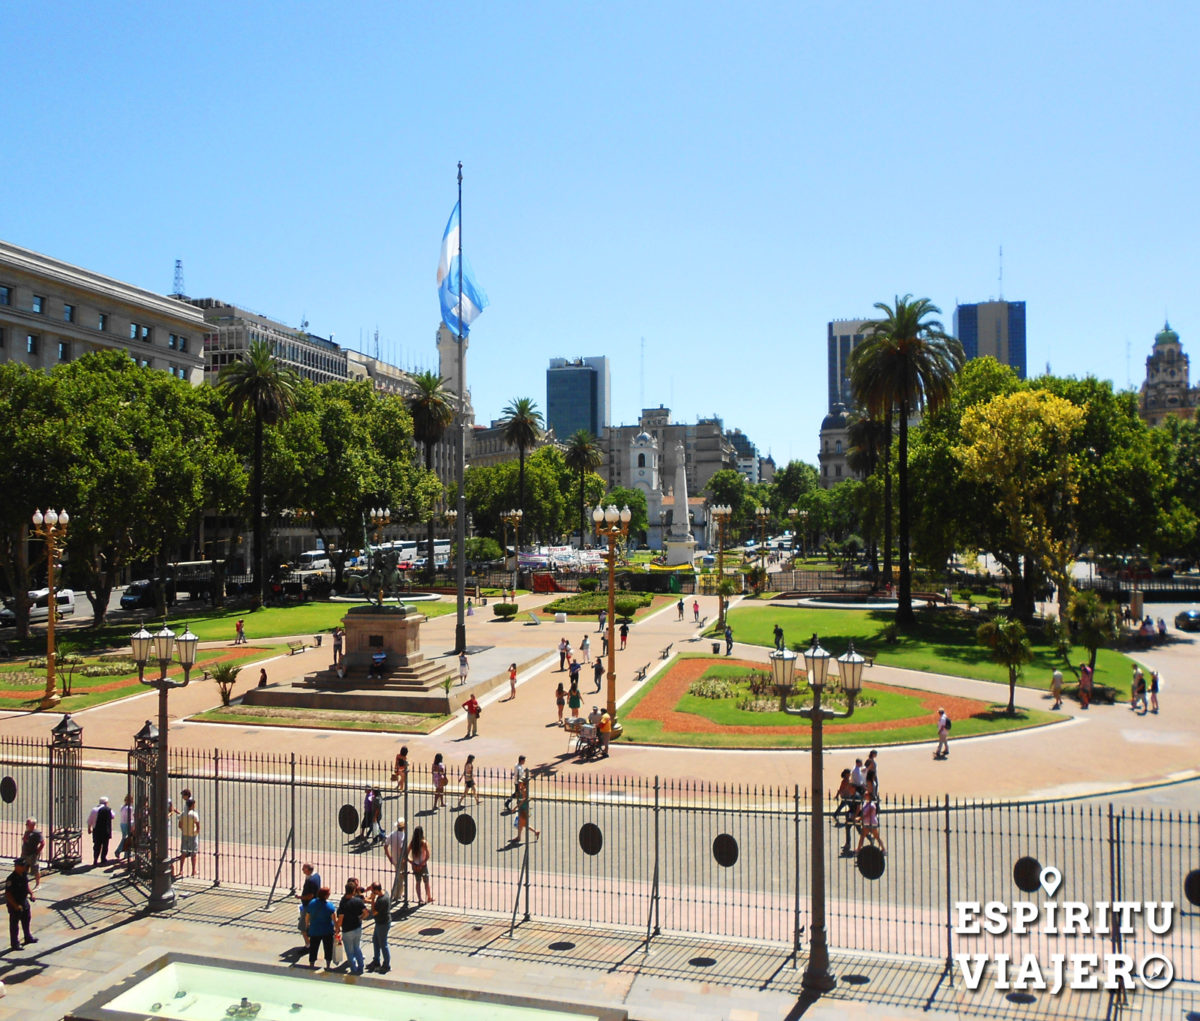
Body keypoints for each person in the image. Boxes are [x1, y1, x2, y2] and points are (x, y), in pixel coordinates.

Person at [335, 879, 366, 975]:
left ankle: (353, 968)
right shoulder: (358, 901)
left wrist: (337, 928)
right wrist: (360, 918)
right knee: (357, 948)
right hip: (357, 927)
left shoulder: (343, 903)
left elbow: (340, 918)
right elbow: (366, 912)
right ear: (354, 890)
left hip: (347, 930)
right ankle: (361, 967)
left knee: (349, 951)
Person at [5, 858, 35, 950]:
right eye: (23, 866)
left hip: (24, 902)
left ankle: (28, 937)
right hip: (15, 904)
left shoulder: (24, 874)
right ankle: (15, 943)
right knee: (14, 925)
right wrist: (15, 906)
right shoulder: (11, 879)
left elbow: (26, 886)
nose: (24, 867)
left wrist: (31, 894)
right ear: (17, 866)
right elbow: (8, 894)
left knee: (26, 921)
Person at [305, 886, 336, 969]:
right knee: (328, 948)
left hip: (315, 930)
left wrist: (307, 925)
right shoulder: (330, 906)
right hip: (327, 930)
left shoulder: (312, 903)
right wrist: (337, 927)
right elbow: (334, 917)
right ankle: (328, 965)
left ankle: (312, 964)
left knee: (313, 948)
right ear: (326, 896)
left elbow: (307, 915)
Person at [832, 769, 860, 855]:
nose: (850, 775)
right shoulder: (845, 781)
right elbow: (840, 789)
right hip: (846, 797)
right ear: (846, 774)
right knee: (844, 807)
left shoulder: (847, 781)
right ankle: (848, 844)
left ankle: (836, 814)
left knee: (857, 829)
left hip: (848, 798)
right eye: (849, 774)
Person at [366, 881, 391, 973]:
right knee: (375, 940)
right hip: (381, 922)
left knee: (383, 944)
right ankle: (376, 960)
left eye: (373, 890)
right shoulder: (385, 892)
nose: (372, 892)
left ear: (376, 891)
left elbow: (374, 912)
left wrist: (372, 899)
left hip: (382, 923)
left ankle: (386, 964)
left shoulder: (381, 900)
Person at [855, 791, 886, 856]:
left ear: (870, 796)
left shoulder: (872, 805)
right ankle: (858, 849)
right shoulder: (865, 803)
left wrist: (859, 819)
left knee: (876, 837)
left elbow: (867, 814)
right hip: (866, 823)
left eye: (866, 795)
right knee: (862, 836)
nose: (864, 795)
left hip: (872, 824)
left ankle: (883, 849)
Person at [384, 820, 407, 905]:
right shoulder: (403, 836)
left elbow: (385, 846)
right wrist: (404, 858)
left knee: (399, 876)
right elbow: (401, 848)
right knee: (400, 877)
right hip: (401, 860)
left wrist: (389, 857)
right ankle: (397, 895)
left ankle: (400, 893)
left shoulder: (392, 834)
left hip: (394, 859)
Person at [408, 826, 433, 905]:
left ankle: (420, 899)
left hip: (415, 865)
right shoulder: (424, 842)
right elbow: (428, 855)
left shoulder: (412, 843)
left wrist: (411, 862)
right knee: (426, 882)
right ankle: (429, 897)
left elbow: (406, 854)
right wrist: (423, 863)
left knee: (418, 882)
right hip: (423, 865)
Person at [298, 863, 321, 947]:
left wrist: (301, 897)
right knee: (311, 924)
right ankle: (311, 941)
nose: (302, 870)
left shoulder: (310, 880)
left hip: (308, 905)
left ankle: (308, 944)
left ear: (308, 870)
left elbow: (310, 895)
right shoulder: (316, 876)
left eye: (304, 869)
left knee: (302, 926)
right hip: (315, 904)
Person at [87, 796, 114, 866]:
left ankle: (95, 859)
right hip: (106, 830)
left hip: (96, 830)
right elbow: (112, 816)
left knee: (97, 845)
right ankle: (103, 859)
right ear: (106, 803)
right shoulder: (108, 809)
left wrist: (89, 828)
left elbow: (90, 820)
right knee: (105, 845)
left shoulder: (94, 809)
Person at [176, 798, 199, 877]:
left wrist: (183, 829)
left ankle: (181, 870)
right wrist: (197, 831)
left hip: (185, 834)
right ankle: (193, 870)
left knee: (183, 852)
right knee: (193, 853)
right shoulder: (194, 814)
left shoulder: (183, 814)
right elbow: (198, 824)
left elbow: (179, 825)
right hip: (192, 834)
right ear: (192, 805)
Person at [19, 819, 43, 889]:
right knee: (24, 868)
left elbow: (42, 843)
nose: (26, 825)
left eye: (27, 824)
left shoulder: (37, 833)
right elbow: (25, 840)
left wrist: (37, 852)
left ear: (32, 825)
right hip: (25, 853)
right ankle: (24, 884)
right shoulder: (27, 831)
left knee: (35, 868)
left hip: (32, 853)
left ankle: (38, 884)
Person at [116, 794, 134, 861]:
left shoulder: (123, 807)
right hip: (127, 824)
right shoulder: (129, 808)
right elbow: (130, 817)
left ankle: (126, 853)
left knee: (125, 838)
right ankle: (119, 850)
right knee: (126, 839)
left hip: (122, 824)